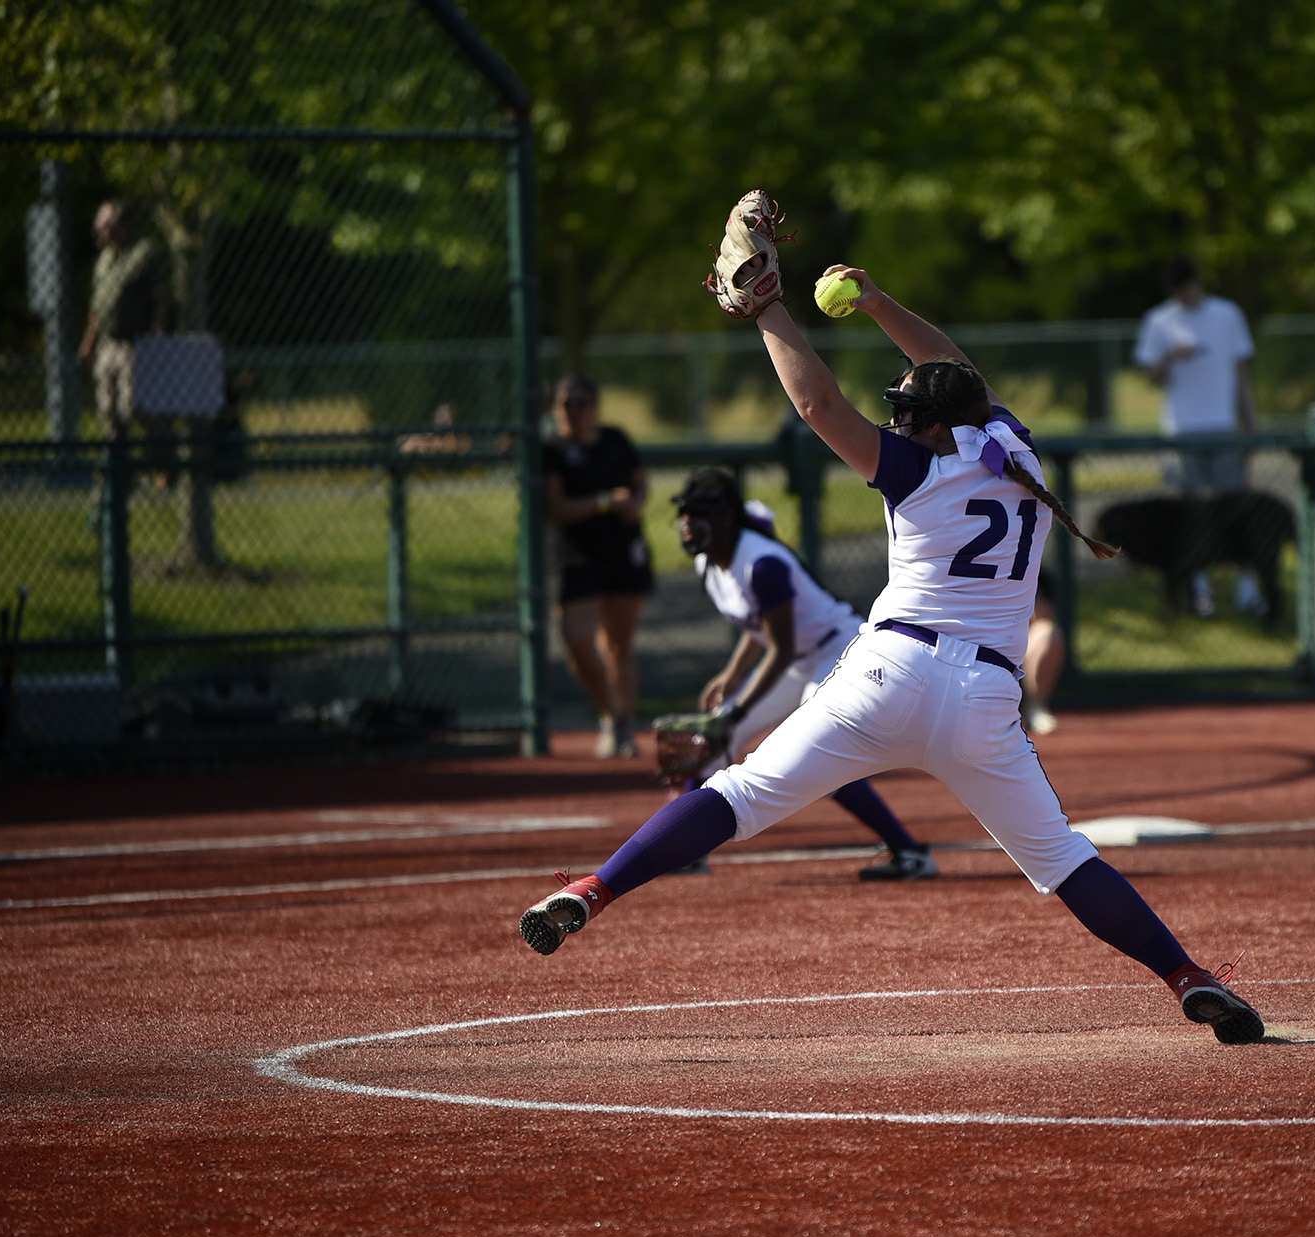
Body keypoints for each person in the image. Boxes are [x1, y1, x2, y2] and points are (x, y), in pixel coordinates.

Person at [518, 198, 1263, 1046]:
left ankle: (594, 889)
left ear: (933, 422)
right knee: (1061, 857)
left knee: (741, 791)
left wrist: (768, 310)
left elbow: (818, 406)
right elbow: (957, 368)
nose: (898, 413)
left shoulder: (916, 466)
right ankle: (1186, 974)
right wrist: (875, 304)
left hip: (888, 672)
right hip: (984, 698)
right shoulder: (1015, 451)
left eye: (908, 405)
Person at [671, 466, 938, 880]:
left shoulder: (762, 564)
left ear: (726, 517)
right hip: (798, 657)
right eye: (684, 513)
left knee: (821, 756)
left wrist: (738, 712)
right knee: (712, 738)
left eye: (699, 513)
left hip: (838, 649)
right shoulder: (709, 563)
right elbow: (758, 630)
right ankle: (687, 849)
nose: (688, 523)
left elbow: (779, 648)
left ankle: (911, 854)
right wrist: (731, 675)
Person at [1132, 256, 1260, 618]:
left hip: (1222, 427)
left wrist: (1251, 420)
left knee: (1234, 506)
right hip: (1181, 430)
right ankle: (1199, 586)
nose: (1185, 296)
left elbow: (1241, 371)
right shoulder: (1160, 321)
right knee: (1189, 514)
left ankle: (1247, 587)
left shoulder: (1226, 314)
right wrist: (1171, 356)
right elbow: (1150, 379)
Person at [541, 372, 652, 758]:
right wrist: (605, 502)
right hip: (576, 556)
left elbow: (640, 485)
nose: (573, 411)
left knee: (618, 647)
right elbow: (556, 509)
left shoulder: (616, 440)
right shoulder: (552, 449)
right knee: (578, 640)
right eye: (565, 403)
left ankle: (623, 726)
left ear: (595, 407)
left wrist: (632, 504)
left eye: (581, 403)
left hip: (622, 552)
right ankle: (612, 715)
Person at [76, 200, 171, 443]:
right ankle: (118, 473)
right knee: (108, 411)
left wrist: (158, 334)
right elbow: (97, 308)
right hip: (108, 345)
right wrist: (89, 343)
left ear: (123, 226)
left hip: (134, 344)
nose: (98, 229)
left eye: (105, 224)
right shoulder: (104, 260)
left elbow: (160, 296)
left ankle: (166, 458)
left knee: (133, 408)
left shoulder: (142, 254)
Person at [1023, 567, 1066, 735]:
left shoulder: (1036, 572)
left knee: (1049, 633)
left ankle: (1036, 707)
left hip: (1020, 641)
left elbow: (1044, 612)